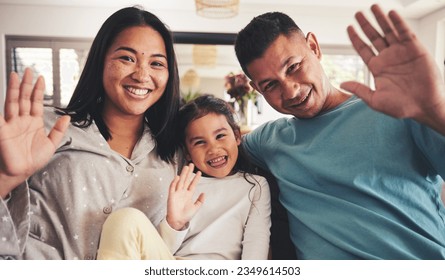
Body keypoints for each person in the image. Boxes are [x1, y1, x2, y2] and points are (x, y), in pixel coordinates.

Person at [234, 4, 445, 259]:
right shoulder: (268, 140)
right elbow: (211, 146)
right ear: (257, 89)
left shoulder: (401, 110)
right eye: (270, 85)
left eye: (293, 67)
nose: (290, 91)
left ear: (313, 47)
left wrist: (435, 109)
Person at [0, 6, 181, 259]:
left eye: (156, 63)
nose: (142, 75)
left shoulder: (172, 154)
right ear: (100, 61)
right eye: (127, 58)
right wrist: (6, 178)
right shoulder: (47, 127)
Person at [96, 94, 271, 260]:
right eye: (200, 142)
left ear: (237, 136)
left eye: (220, 136)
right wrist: (174, 223)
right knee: (125, 220)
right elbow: (160, 250)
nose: (213, 149)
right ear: (187, 152)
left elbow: (256, 247)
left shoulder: (255, 186)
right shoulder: (180, 184)